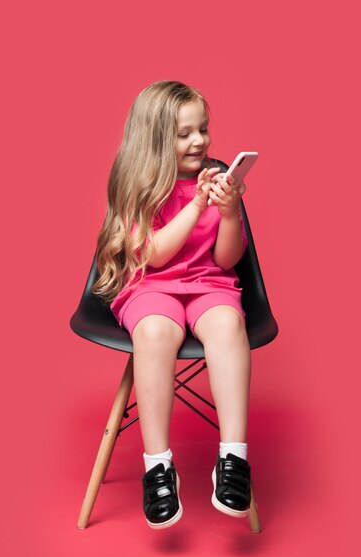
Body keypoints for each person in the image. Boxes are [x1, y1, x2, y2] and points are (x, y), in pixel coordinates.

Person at [93, 80, 252, 529]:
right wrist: (198, 202)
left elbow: (225, 259)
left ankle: (234, 459)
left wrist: (228, 212)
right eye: (185, 134)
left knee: (226, 325)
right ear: (157, 139)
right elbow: (155, 253)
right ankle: (158, 466)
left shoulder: (217, 176)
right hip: (150, 285)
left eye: (203, 129)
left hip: (208, 283)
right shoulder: (136, 183)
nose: (199, 141)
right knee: (156, 332)